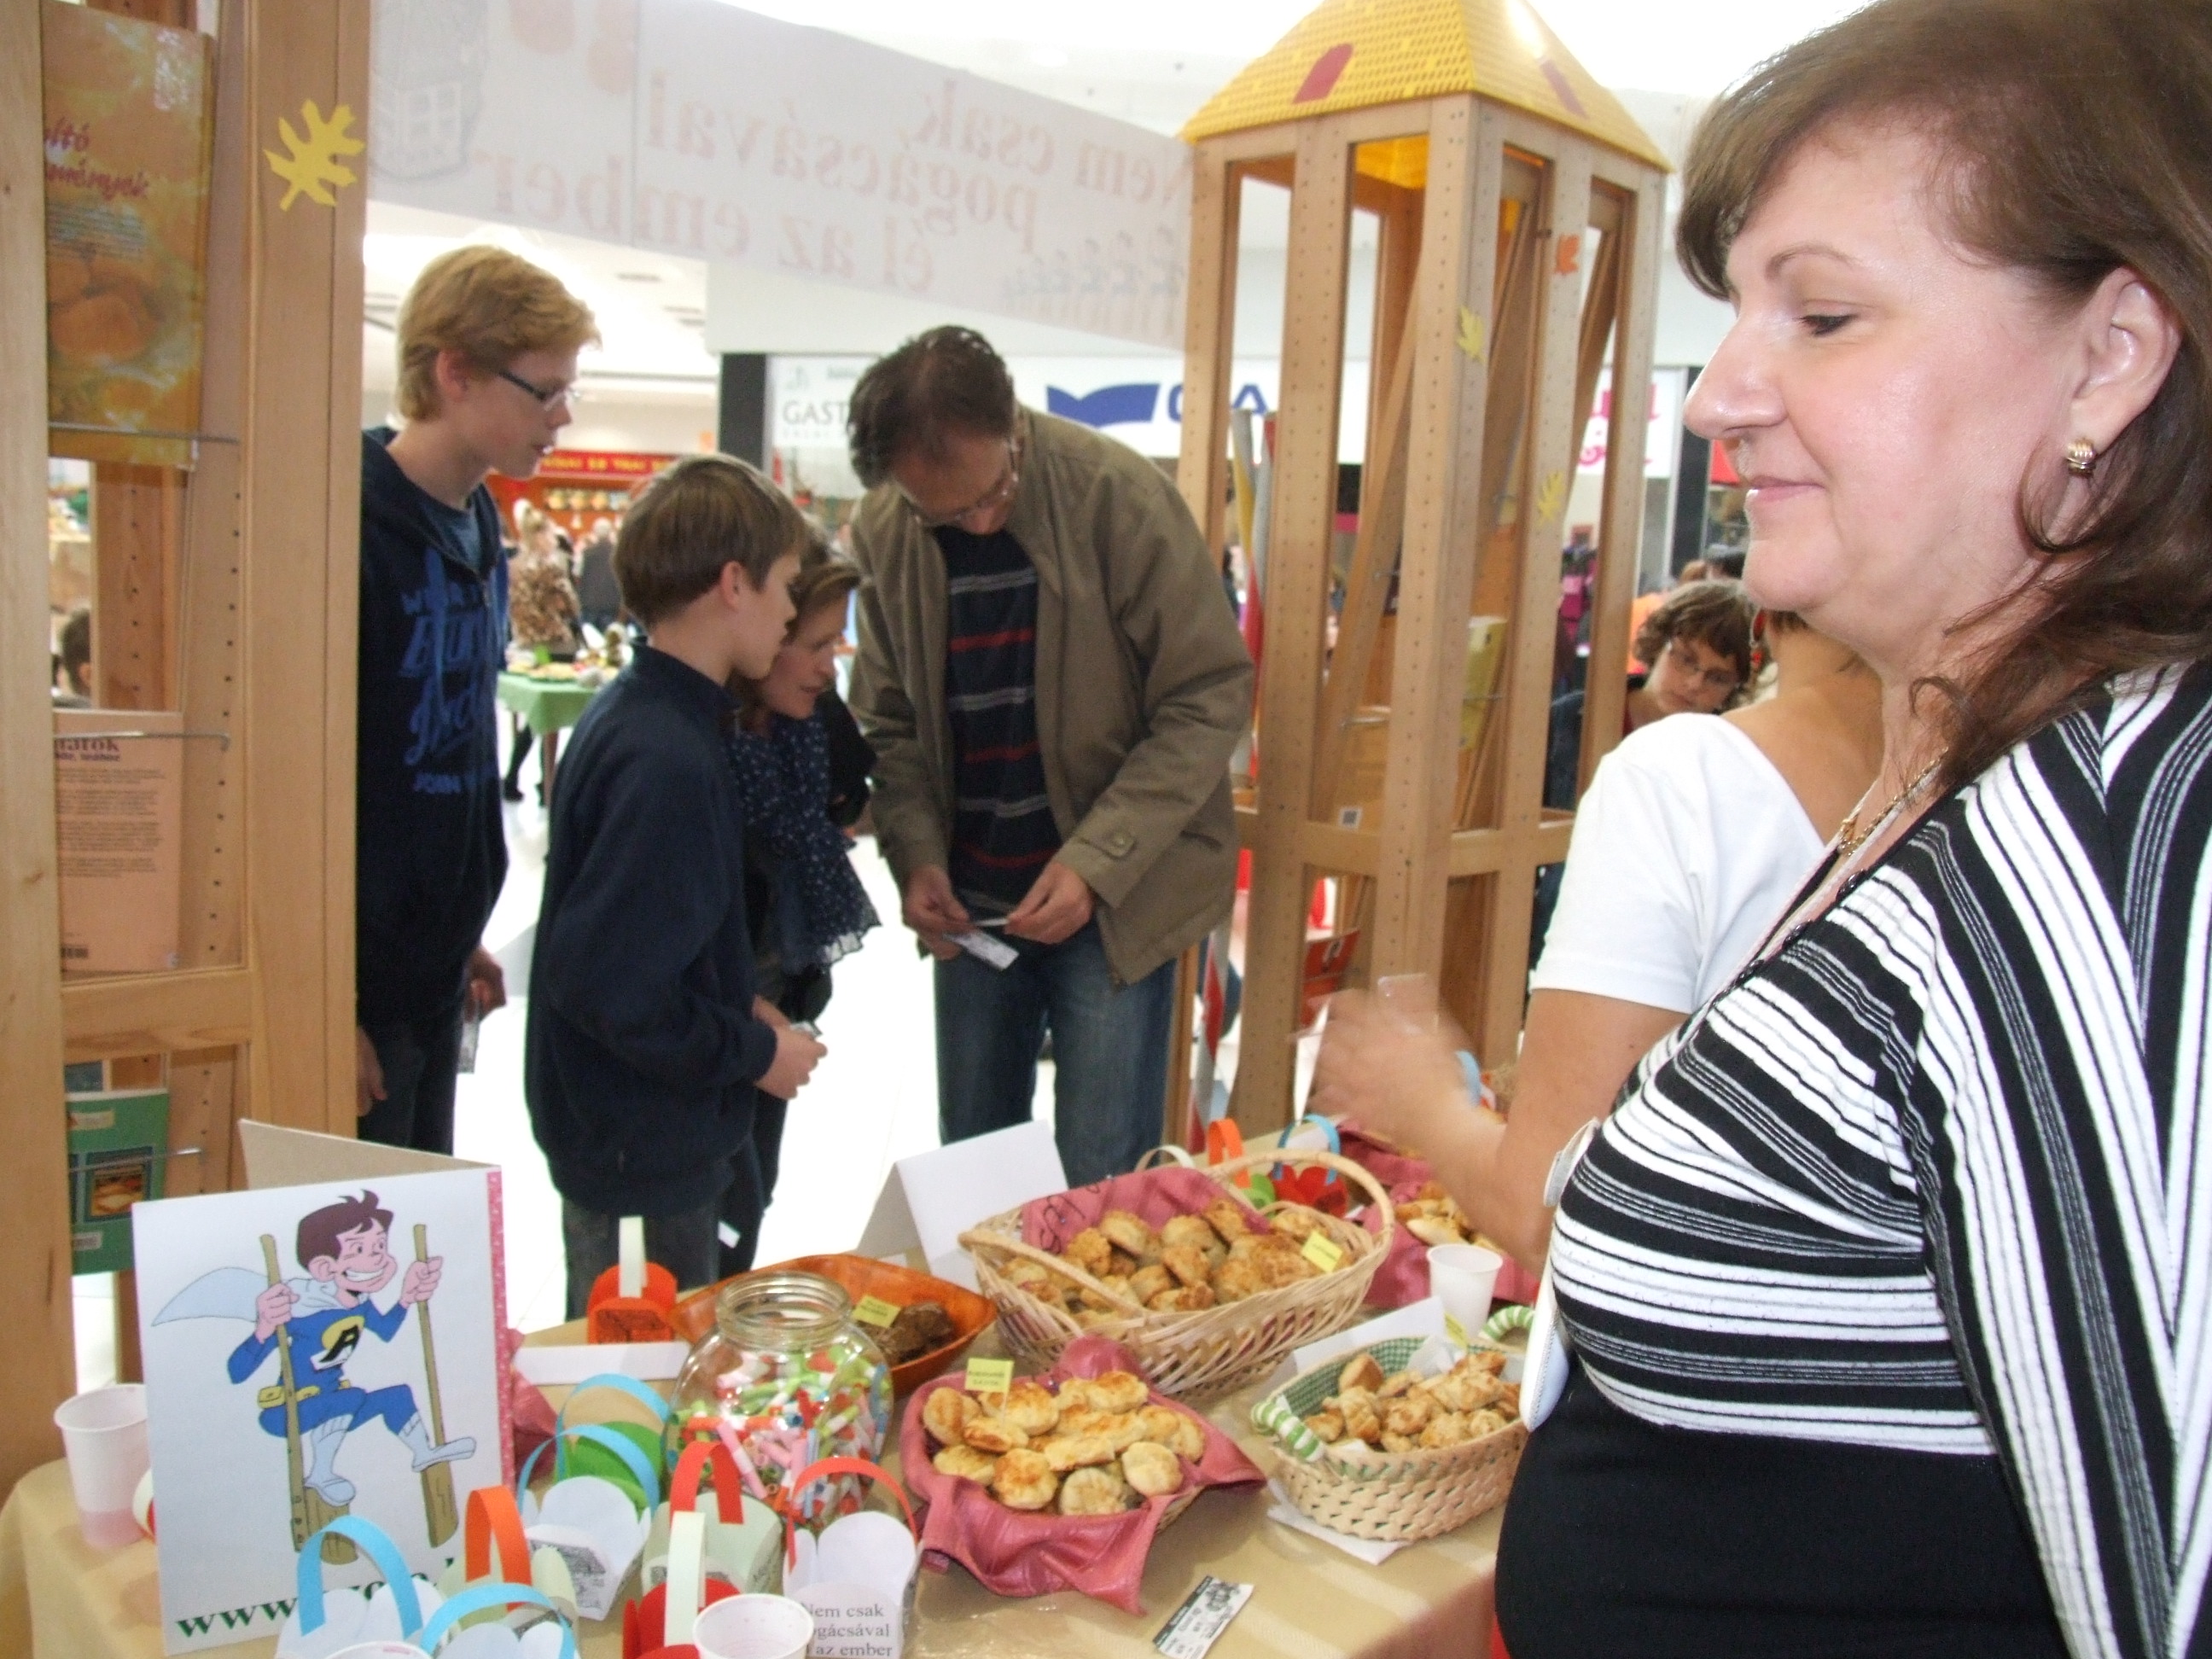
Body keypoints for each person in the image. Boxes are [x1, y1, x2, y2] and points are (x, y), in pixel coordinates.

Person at [1318, 1, 2212, 1650]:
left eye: (1822, 313)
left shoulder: (2088, 874)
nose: (1716, 395)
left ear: (2110, 352)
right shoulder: (1974, 774)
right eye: (1738, 313)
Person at [845, 327, 1253, 1185]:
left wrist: (1098, 863)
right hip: (972, 909)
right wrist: (915, 854)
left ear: (1013, 427)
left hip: (1116, 905)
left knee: (1103, 1177)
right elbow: (888, 720)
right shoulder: (888, 526)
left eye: (993, 493)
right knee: (974, 1171)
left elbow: (1208, 694)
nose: (978, 523)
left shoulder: (1118, 499)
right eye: (944, 514)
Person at [526, 455, 827, 1314]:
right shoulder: (666, 757)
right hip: (641, 1148)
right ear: (733, 584)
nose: (791, 613)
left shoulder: (648, 715)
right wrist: (754, 1053)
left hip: (635, 1131)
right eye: (784, 586)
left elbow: (651, 943)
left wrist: (741, 1003)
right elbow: (612, 990)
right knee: (644, 1372)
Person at [357, 247, 597, 1153]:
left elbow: (454, 745)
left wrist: (458, 935)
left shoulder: (479, 526)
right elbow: (299, 788)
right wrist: (328, 1000)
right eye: (545, 390)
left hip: (432, 972)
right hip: (359, 993)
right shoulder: (348, 529)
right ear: (454, 373)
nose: (562, 416)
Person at [717, 534, 879, 1276]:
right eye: (814, 644)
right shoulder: (702, 754)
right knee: (717, 1206)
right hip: (720, 1024)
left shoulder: (809, 727)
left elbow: (851, 789)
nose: (828, 666)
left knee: (752, 1193)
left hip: (778, 998)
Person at [502, 501, 582, 804]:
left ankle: (517, 776)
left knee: (536, 715)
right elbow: (572, 605)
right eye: (549, 533)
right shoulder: (551, 566)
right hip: (556, 645)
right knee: (550, 717)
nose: (553, 540)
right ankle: (543, 781)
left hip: (529, 647)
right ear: (538, 535)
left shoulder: (514, 566)